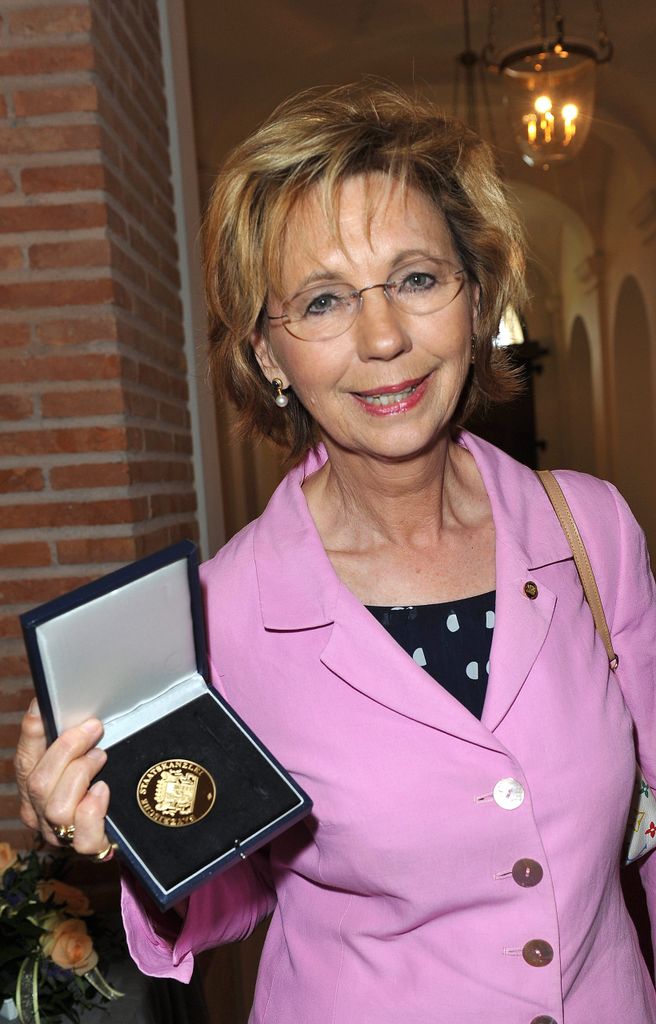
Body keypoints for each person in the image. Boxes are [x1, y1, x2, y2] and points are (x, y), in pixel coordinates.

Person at [14, 82, 656, 1023]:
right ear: (268, 354)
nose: (385, 338)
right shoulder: (221, 615)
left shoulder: (590, 532)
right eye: (323, 301)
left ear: (476, 299)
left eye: (418, 280)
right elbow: (226, 896)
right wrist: (118, 831)